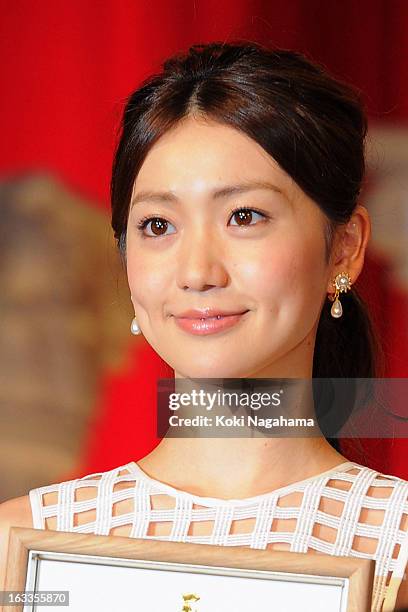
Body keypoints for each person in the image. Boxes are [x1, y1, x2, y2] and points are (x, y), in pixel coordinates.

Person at [0, 41, 407, 611]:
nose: (196, 272)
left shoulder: (396, 550)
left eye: (245, 216)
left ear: (344, 248)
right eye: (158, 225)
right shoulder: (17, 556)